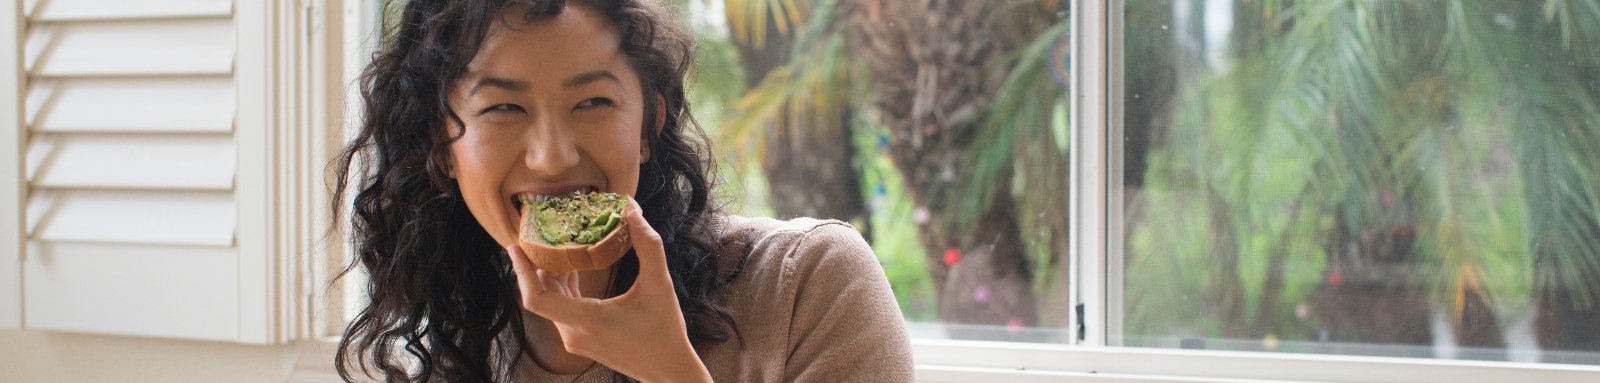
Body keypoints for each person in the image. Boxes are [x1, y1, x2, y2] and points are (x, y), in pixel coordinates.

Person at [329, 0, 913, 381]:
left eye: (593, 102)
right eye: (504, 107)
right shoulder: (446, 351)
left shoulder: (807, 286)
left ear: (647, 127)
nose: (552, 155)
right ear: (442, 149)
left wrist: (671, 370)